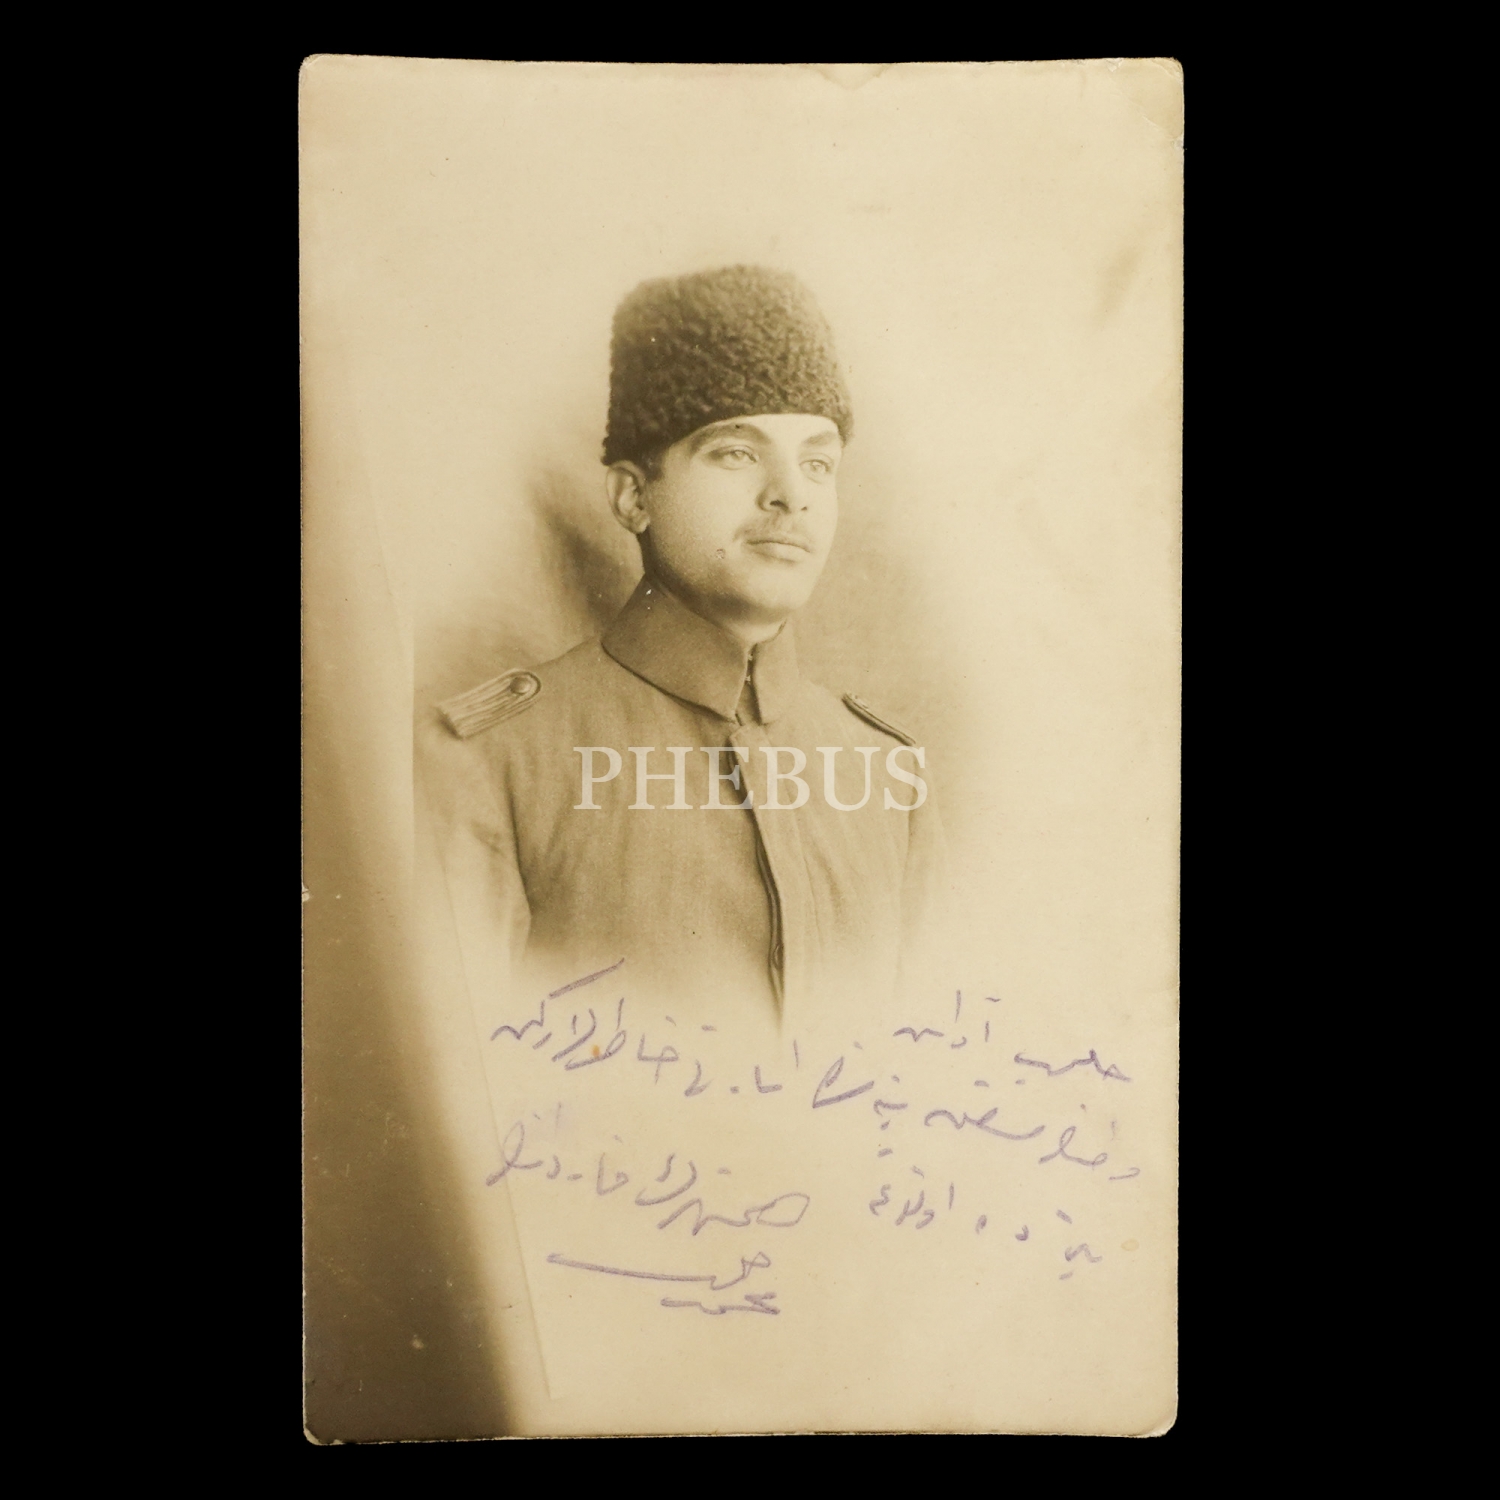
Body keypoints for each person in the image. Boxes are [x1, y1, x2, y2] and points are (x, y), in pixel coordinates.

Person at [420, 266, 946, 1038]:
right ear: (634, 497)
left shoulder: (890, 776)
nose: (790, 494)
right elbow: (453, 1083)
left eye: (818, 462)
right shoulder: (485, 764)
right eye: (736, 453)